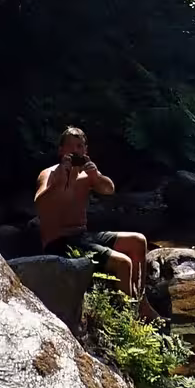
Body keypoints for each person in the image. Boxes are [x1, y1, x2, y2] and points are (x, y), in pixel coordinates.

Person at [34, 127, 147, 301]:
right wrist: (58, 181)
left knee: (138, 241)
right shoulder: (49, 174)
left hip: (83, 236)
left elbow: (109, 190)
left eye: (79, 146)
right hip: (59, 241)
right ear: (61, 150)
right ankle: (129, 313)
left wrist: (96, 176)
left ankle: (142, 301)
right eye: (70, 146)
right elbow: (39, 203)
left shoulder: (86, 174)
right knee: (123, 263)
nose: (75, 151)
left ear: (85, 150)